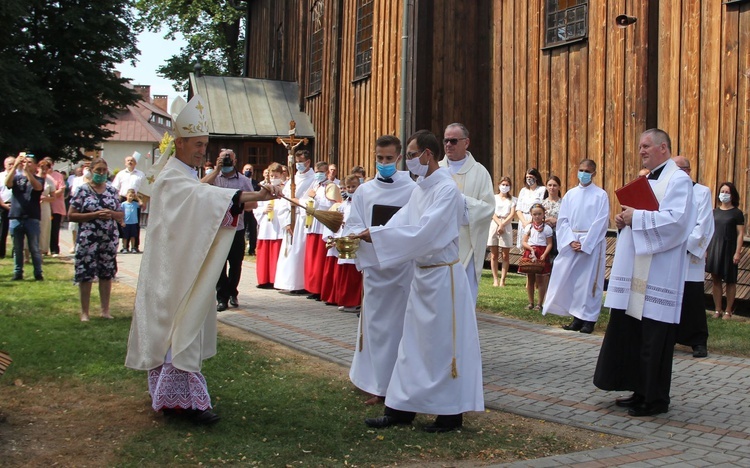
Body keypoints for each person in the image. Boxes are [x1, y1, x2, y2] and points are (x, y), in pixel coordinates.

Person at [125, 95, 280, 425]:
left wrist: (257, 196)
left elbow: (208, 205)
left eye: (205, 145)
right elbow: (204, 201)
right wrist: (251, 196)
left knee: (182, 327)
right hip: (174, 272)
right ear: (179, 143)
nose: (202, 151)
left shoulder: (185, 176)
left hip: (183, 266)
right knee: (179, 329)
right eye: (196, 144)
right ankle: (183, 403)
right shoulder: (171, 177)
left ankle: (173, 400)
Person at [352, 130, 484, 433]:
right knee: (411, 345)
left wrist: (379, 236)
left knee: (441, 347)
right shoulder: (421, 188)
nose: (408, 162)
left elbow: (426, 233)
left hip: (443, 278)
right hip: (422, 276)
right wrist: (368, 236)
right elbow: (402, 222)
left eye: (411, 155)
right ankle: (401, 409)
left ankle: (449, 415)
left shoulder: (446, 190)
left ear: (427, 154)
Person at [594, 128, 696, 418]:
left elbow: (676, 222)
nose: (642, 151)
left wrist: (635, 217)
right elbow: (643, 215)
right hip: (640, 270)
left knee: (655, 338)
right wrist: (624, 219)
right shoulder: (647, 180)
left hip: (660, 273)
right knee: (636, 334)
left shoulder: (678, 181)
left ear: (664, 148)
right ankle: (639, 390)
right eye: (640, 146)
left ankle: (655, 400)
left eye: (647, 146)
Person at [343, 135, 417, 405]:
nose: (383, 163)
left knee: (400, 328)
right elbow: (353, 222)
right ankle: (374, 382)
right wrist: (355, 235)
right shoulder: (365, 190)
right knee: (375, 328)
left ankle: (396, 384)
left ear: (398, 158)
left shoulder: (412, 188)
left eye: (388, 159)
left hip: (402, 268)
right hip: (375, 268)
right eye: (379, 158)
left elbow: (414, 226)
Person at [543, 160, 610, 334]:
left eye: (587, 171)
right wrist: (570, 240)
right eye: (581, 170)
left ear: (594, 173)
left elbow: (601, 222)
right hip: (573, 242)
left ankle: (589, 320)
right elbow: (563, 219)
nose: (583, 173)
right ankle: (576, 318)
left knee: (589, 283)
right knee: (574, 281)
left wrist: (586, 243)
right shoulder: (571, 195)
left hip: (591, 244)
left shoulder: (600, 195)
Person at [438, 123, 495, 304]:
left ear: (466, 142)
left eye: (453, 141)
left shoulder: (480, 172)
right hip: (438, 243)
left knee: (463, 299)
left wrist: (461, 201)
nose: (448, 145)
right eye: (446, 140)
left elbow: (488, 207)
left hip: (467, 244)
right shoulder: (436, 170)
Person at [68, 158, 123, 321]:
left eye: (104, 170)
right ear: (91, 170)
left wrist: (111, 214)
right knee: (86, 273)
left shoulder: (112, 191)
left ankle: (105, 310)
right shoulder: (82, 190)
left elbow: (120, 214)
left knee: (107, 273)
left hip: (108, 238)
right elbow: (71, 215)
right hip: (88, 238)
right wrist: (94, 215)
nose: (101, 173)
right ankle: (85, 312)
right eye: (98, 170)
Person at [201, 149, 256, 311]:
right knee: (218, 263)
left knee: (236, 263)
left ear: (235, 161)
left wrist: (236, 204)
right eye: (222, 158)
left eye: (228, 159)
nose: (225, 162)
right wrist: (216, 170)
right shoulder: (214, 178)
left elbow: (253, 204)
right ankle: (222, 297)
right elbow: (198, 188)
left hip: (236, 228)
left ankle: (232, 292)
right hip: (217, 229)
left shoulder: (244, 181)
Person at [673, 156, 714, 358]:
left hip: (689, 255)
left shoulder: (702, 192)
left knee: (692, 298)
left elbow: (704, 222)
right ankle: (670, 336)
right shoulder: (669, 193)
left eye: (678, 169)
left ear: (688, 171)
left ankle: (698, 341)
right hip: (671, 254)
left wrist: (686, 245)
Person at [274, 150, 315, 293]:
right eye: (297, 162)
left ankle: (301, 285)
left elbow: (313, 199)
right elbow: (283, 202)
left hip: (303, 219)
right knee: (288, 250)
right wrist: (286, 221)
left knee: (300, 251)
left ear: (308, 162)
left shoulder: (314, 179)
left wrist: (299, 202)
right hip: (290, 219)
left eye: (301, 162)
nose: (299, 165)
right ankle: (288, 283)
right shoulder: (293, 179)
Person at [705, 182, 745, 320]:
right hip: (715, 247)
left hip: (730, 248)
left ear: (732, 195)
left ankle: (728, 310)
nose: (724, 194)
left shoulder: (737, 213)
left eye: (727, 192)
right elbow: (708, 231)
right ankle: (717, 309)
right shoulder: (714, 212)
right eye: (722, 191)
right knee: (715, 279)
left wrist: (738, 252)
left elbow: (740, 233)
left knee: (730, 281)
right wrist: (706, 250)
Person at [6, 153, 44, 281]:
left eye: (29, 162)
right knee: (17, 248)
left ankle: (38, 273)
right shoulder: (16, 178)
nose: (26, 164)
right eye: (24, 162)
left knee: (34, 247)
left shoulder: (39, 179)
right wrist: (15, 165)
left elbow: (37, 187)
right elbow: (8, 182)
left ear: (35, 166)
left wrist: (28, 173)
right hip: (16, 216)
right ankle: (18, 273)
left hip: (32, 217)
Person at [303, 161, 334, 300]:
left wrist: (315, 197)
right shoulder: (315, 185)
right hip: (312, 224)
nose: (318, 174)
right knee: (312, 259)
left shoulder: (331, 186)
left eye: (321, 171)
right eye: (316, 171)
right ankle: (312, 287)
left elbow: (331, 205)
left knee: (320, 260)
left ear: (327, 172)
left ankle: (320, 289)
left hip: (323, 226)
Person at [254, 163, 284, 289]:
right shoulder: (264, 188)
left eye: (276, 176)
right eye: (271, 176)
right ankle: (263, 279)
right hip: (266, 223)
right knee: (264, 252)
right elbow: (256, 206)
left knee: (276, 251)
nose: (273, 178)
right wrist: (263, 210)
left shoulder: (285, 189)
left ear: (281, 175)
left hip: (278, 224)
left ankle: (274, 279)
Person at [519, 203, 553, 310]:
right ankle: (530, 302)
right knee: (530, 278)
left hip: (542, 252)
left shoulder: (547, 229)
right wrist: (529, 248)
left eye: (539, 214)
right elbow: (524, 241)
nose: (537, 216)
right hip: (531, 252)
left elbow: (550, 244)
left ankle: (539, 303)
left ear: (543, 214)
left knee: (541, 279)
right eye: (534, 214)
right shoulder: (529, 227)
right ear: (531, 215)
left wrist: (544, 254)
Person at [112, 153, 145, 253]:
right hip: (123, 200)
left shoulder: (140, 174)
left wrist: (142, 201)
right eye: (128, 161)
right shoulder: (120, 174)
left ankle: (135, 246)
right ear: (125, 163)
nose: (130, 162)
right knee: (123, 223)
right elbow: (115, 188)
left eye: (132, 161)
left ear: (135, 163)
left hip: (136, 200)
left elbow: (144, 189)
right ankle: (124, 246)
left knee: (135, 224)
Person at [487, 177, 516, 287]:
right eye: (503, 184)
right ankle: (495, 278)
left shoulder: (512, 200)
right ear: (499, 185)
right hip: (495, 222)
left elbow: (512, 214)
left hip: (506, 224)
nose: (504, 186)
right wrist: (499, 223)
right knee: (494, 254)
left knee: (505, 255)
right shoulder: (493, 198)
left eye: (507, 185)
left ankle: (503, 279)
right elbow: (492, 212)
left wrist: (503, 224)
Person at [515, 168, 546, 249]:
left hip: (535, 220)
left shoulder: (542, 189)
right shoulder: (523, 190)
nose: (529, 179)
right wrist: (524, 222)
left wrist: (530, 222)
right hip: (523, 220)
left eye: (531, 176)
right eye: (527, 177)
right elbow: (518, 208)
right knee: (524, 245)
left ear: (536, 177)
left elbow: (542, 207)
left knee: (533, 245)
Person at [43, 157, 66, 257]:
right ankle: (43, 248)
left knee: (54, 228)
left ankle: (54, 249)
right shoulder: (41, 175)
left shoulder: (58, 176)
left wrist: (51, 195)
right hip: (43, 205)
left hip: (56, 205)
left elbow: (61, 189)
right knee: (43, 227)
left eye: (49, 164)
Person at [35, 159, 56, 256]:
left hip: (45, 206)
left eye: (46, 169)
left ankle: (41, 251)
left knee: (44, 228)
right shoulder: (33, 178)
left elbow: (53, 198)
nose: (43, 170)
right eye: (42, 168)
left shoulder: (49, 180)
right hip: (34, 205)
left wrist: (45, 198)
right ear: (37, 168)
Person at [542, 175, 562, 263]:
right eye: (549, 185)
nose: (552, 187)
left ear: (559, 187)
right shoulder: (542, 203)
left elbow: (569, 221)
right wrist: (547, 220)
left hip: (559, 236)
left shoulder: (564, 203)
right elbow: (535, 221)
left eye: (554, 185)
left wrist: (557, 221)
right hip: (544, 237)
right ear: (546, 187)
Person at [242, 163, 260, 256]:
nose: (248, 171)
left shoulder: (256, 183)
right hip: (243, 210)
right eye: (246, 169)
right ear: (242, 170)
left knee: (253, 230)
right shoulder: (240, 181)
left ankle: (252, 249)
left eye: (250, 169)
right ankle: (242, 248)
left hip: (253, 210)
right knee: (242, 229)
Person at [120, 189, 143, 254]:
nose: (131, 197)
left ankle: (133, 248)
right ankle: (124, 248)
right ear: (126, 195)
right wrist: (122, 221)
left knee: (133, 236)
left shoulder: (135, 204)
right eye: (130, 196)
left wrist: (137, 198)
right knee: (125, 236)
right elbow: (121, 213)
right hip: (126, 222)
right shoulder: (123, 204)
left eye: (132, 196)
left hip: (134, 223)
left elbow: (141, 204)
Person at [0, 156, 14, 258]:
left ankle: (16, 252)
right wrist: (3, 204)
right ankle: (1, 253)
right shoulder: (0, 176)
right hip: (2, 205)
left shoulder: (19, 176)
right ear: (5, 165)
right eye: (10, 164)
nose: (11, 166)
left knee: (16, 231)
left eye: (14, 164)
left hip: (16, 206)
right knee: (2, 230)